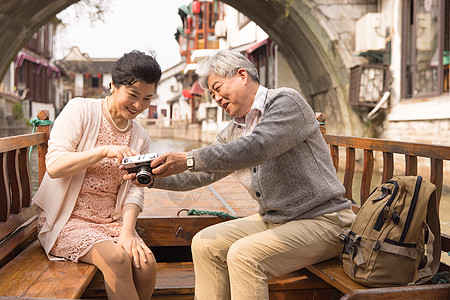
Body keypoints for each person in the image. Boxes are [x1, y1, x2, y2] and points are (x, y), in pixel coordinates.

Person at [124, 50, 355, 300]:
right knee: (205, 244)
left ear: (242, 75)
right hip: (276, 220)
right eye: (211, 94)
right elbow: (201, 174)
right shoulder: (234, 130)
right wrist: (151, 177)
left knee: (244, 256)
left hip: (324, 221)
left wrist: (188, 159)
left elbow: (258, 147)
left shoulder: (286, 102)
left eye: (217, 88)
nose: (216, 99)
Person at [32, 50, 161, 300]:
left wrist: (127, 231)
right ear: (112, 85)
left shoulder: (140, 136)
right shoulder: (80, 110)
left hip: (112, 222)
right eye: (133, 96)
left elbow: (135, 190)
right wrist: (103, 151)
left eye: (147, 99)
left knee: (145, 265)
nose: (138, 106)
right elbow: (55, 165)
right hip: (67, 220)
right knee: (117, 259)